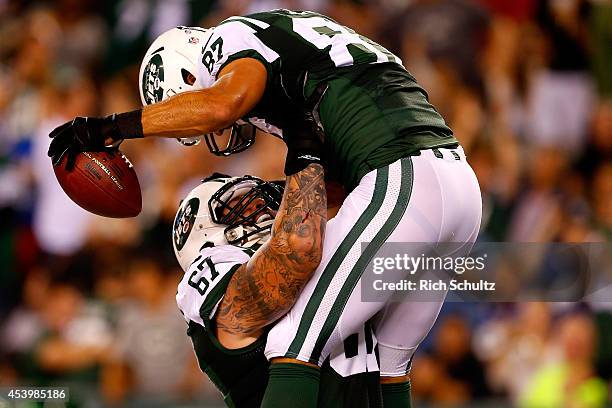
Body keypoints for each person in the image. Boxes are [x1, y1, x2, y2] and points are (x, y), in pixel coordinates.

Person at [47, 9, 482, 407]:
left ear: (188, 74)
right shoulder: (299, 54)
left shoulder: (232, 40)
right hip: (455, 182)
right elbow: (333, 195)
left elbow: (220, 105)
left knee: (295, 344)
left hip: (402, 178)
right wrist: (304, 157)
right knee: (390, 365)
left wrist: (111, 126)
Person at [173, 172, 381, 407]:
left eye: (260, 200)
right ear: (201, 233)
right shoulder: (211, 266)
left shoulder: (314, 248)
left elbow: (420, 269)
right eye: (237, 205)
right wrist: (304, 161)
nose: (260, 205)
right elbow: (293, 255)